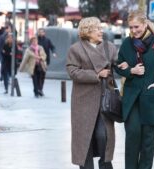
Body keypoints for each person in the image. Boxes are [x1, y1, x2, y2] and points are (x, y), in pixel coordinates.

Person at [115, 10, 154, 169]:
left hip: (152, 97)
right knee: (132, 137)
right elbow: (119, 66)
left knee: (148, 144)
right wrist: (130, 71)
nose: (134, 31)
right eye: (131, 27)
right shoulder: (127, 43)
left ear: (145, 24)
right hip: (132, 98)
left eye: (137, 27)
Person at [66, 17, 117, 169]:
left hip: (104, 100)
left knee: (104, 137)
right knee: (84, 140)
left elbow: (119, 65)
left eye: (101, 28)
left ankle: (105, 166)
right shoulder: (75, 49)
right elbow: (73, 71)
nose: (101, 31)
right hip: (83, 101)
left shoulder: (109, 47)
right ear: (88, 32)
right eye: (97, 29)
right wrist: (96, 75)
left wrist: (127, 67)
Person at [37, 28, 57, 96]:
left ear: (44, 33)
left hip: (45, 60)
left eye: (42, 32)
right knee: (37, 74)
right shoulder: (36, 40)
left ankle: (40, 89)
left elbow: (52, 47)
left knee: (42, 75)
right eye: (39, 32)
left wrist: (54, 52)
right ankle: (38, 88)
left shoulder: (47, 40)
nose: (41, 33)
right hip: (37, 60)